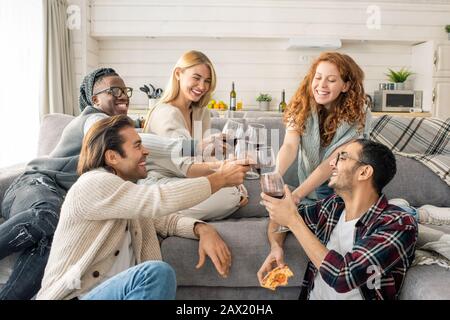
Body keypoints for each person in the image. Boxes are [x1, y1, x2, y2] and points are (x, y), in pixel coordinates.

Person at [36, 115, 248, 300]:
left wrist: (202, 229)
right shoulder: (93, 183)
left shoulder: (126, 196)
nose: (146, 151)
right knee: (154, 274)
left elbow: (165, 220)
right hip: (76, 296)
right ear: (112, 157)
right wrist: (219, 179)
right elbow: (159, 199)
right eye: (137, 146)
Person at [0, 68, 130, 300]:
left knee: (53, 243)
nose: (124, 95)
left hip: (58, 202)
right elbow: (112, 136)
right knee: (46, 214)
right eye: (115, 90)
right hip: (35, 184)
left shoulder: (120, 142)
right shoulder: (94, 118)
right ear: (95, 98)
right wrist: (188, 146)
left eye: (126, 91)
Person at [257, 139, 418, 300]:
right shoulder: (332, 207)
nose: (332, 163)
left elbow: (343, 277)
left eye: (342, 157)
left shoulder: (399, 223)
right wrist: (276, 246)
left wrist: (293, 220)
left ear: (364, 172)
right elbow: (280, 215)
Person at [142, 50, 247, 221]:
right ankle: (160, 217)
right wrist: (225, 170)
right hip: (163, 184)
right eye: (196, 78)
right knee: (228, 195)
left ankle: (173, 216)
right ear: (178, 74)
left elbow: (204, 158)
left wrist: (231, 177)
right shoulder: (166, 113)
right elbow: (187, 168)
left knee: (234, 190)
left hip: (184, 179)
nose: (202, 86)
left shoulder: (201, 112)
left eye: (207, 81)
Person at [276, 52, 372, 208]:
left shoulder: (360, 114)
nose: (321, 85)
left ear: (345, 86)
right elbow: (290, 146)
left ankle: (413, 212)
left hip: (345, 186)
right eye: (318, 77)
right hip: (311, 187)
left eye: (331, 80)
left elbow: (332, 162)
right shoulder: (302, 105)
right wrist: (276, 174)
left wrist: (297, 195)